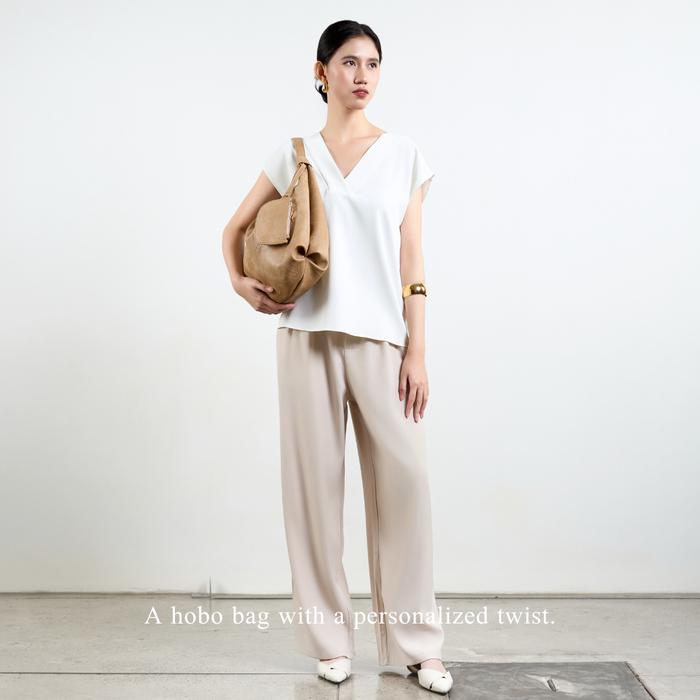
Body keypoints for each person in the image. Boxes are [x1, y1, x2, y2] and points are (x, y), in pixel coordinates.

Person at [221, 19, 453, 696]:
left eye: (373, 63)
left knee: (406, 488)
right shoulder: (294, 154)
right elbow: (234, 230)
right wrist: (240, 284)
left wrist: (418, 349)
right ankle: (329, 643)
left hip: (383, 343)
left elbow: (413, 262)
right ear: (321, 71)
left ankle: (417, 646)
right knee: (314, 494)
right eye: (349, 62)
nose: (363, 75)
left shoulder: (404, 155)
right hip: (307, 338)